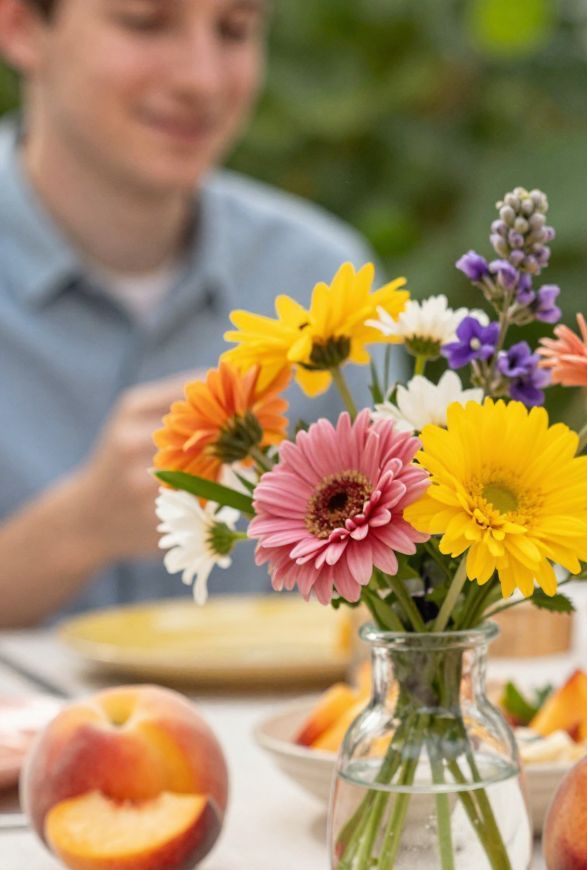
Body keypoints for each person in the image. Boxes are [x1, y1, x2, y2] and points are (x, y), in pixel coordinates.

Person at [0, 0, 368, 626]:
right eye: (145, 22)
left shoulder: (322, 279)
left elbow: (393, 599)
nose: (202, 79)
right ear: (22, 27)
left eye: (234, 30)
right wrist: (78, 529)